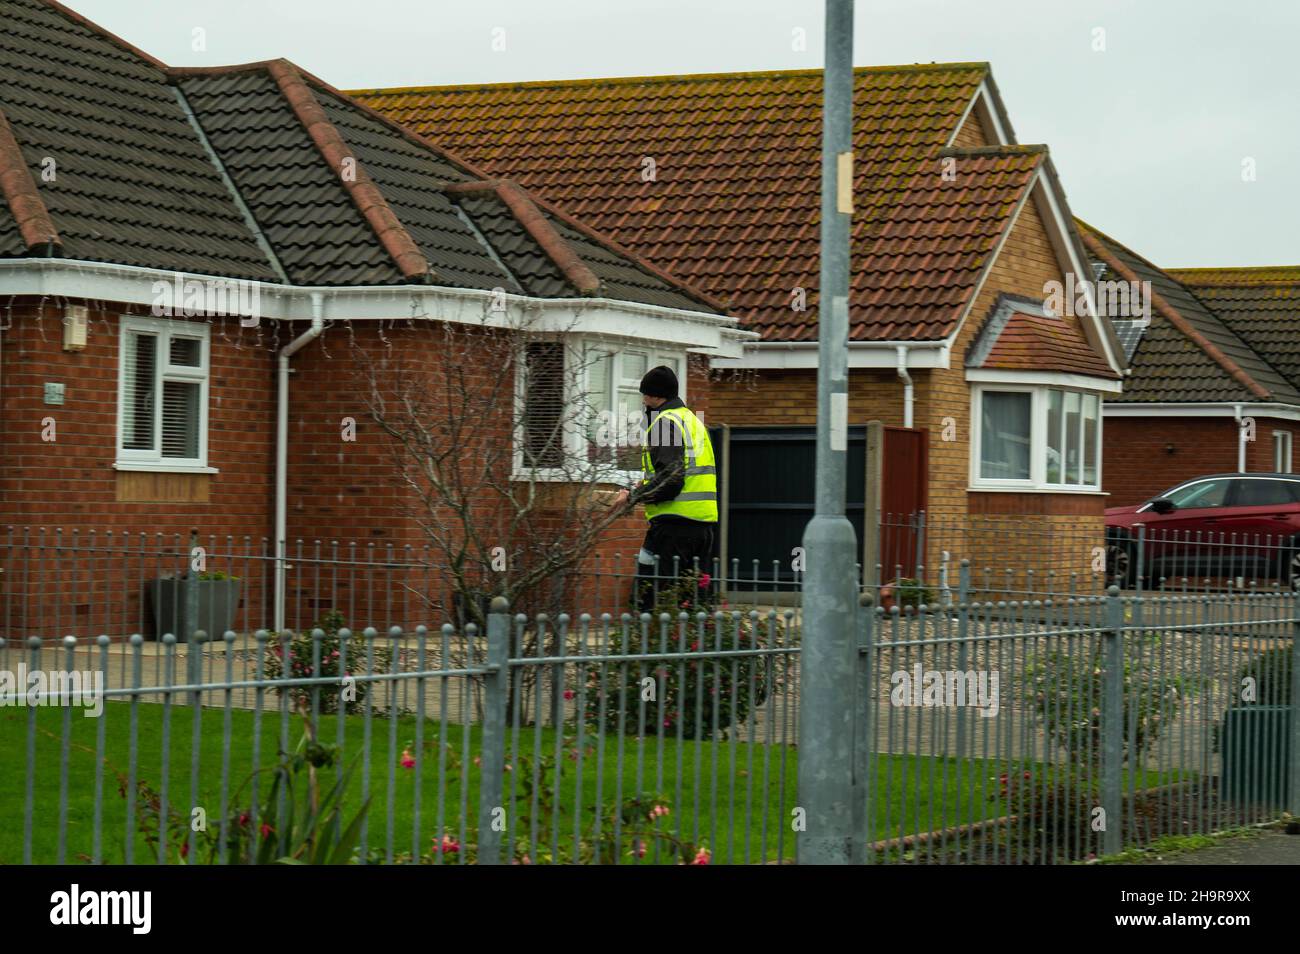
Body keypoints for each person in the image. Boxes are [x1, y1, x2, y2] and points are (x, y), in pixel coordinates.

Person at [610, 365, 718, 612]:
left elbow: (671, 480)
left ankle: (648, 646)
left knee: (651, 600)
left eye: (645, 396)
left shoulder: (665, 423)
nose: (643, 401)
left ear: (655, 396)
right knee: (693, 606)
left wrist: (634, 496)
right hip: (702, 527)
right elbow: (682, 471)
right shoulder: (692, 420)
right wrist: (644, 486)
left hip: (673, 528)